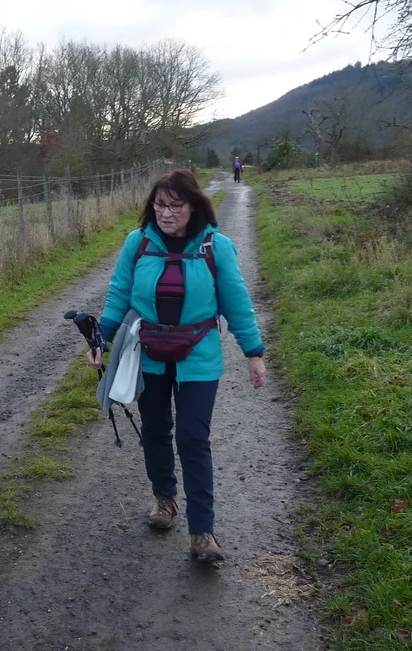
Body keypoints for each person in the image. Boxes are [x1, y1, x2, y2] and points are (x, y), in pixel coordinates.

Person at [88, 169, 266, 562]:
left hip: (199, 354)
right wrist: (101, 338)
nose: (166, 213)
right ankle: (164, 499)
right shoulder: (137, 243)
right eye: (159, 205)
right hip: (148, 351)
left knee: (191, 437)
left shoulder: (216, 247)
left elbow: (237, 302)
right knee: (155, 429)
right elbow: (119, 293)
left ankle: (202, 531)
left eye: (175, 206)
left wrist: (253, 352)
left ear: (193, 207)